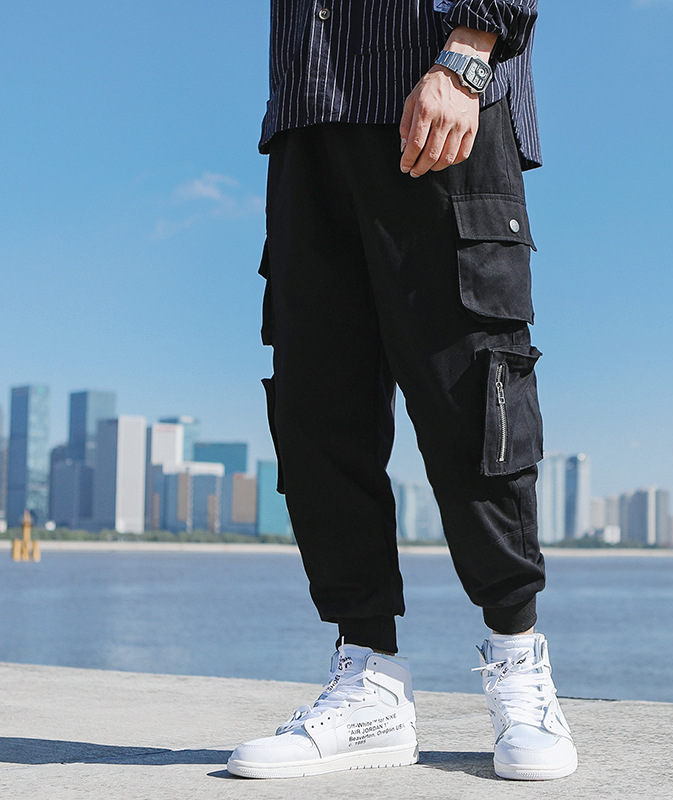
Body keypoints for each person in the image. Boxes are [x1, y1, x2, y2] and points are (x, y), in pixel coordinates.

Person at [227, 0, 577, 781]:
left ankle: (519, 662)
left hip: (438, 90)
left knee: (471, 396)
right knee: (319, 409)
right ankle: (369, 682)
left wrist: (470, 50)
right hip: (309, 108)